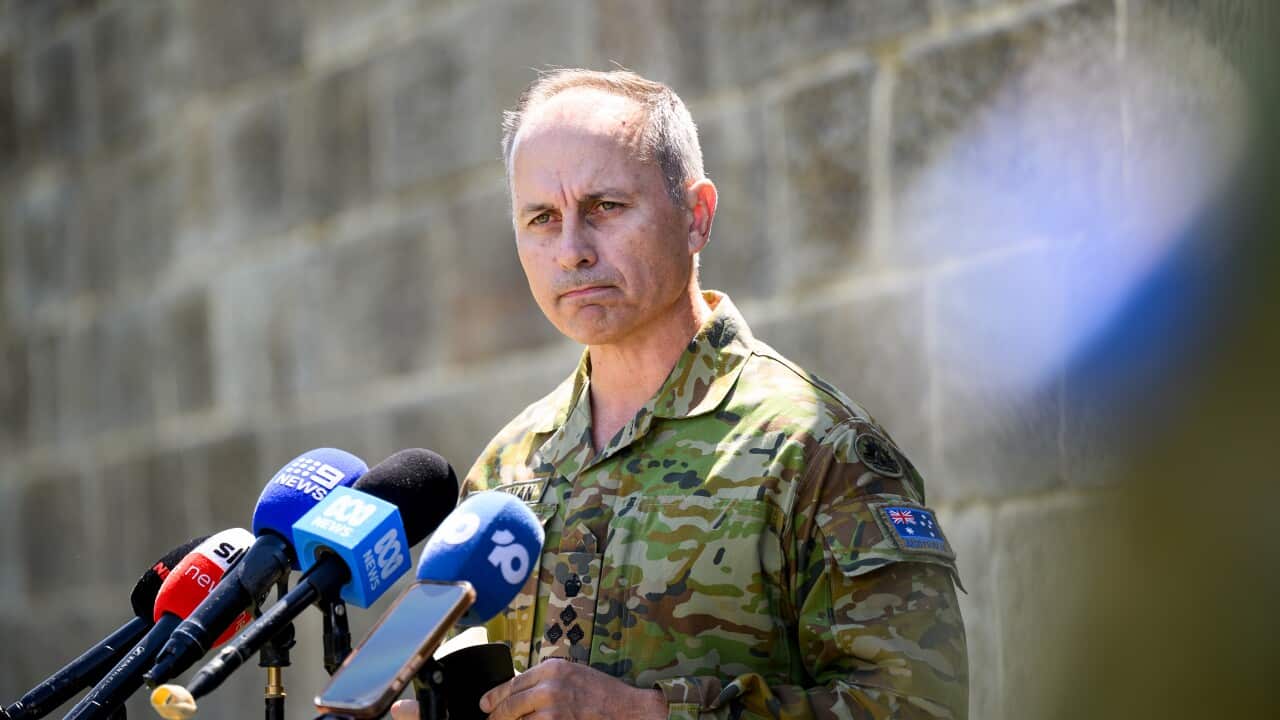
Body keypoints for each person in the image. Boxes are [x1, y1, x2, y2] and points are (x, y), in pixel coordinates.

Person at [394, 69, 968, 720]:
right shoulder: (510, 466)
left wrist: (653, 714)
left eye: (605, 207)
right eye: (542, 219)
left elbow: (919, 706)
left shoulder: (816, 450)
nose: (572, 250)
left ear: (696, 217)